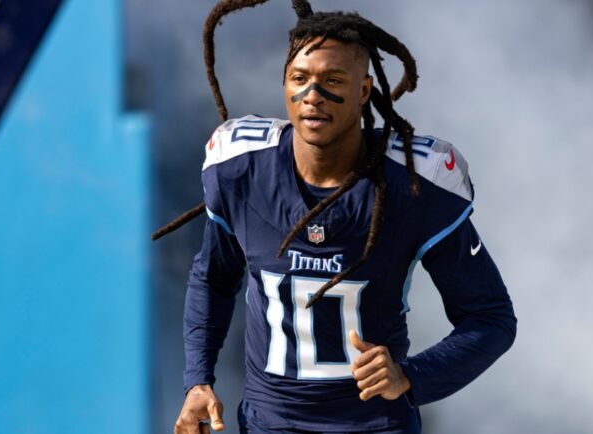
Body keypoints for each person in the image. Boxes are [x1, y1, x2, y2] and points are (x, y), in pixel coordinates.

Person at [160, 1, 517, 433]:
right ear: (284, 83)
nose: (313, 96)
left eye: (333, 81)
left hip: (374, 425)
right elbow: (214, 277)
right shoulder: (241, 170)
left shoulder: (412, 186)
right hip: (269, 425)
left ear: (364, 90)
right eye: (300, 79)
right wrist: (197, 380)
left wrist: (411, 376)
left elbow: (491, 317)